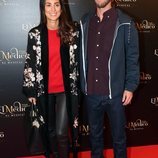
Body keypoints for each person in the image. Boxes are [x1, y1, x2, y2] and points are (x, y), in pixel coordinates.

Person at [80, 0, 139, 158]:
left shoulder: (125, 23)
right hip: (91, 92)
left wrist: (130, 87)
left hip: (115, 94)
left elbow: (132, 59)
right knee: (95, 139)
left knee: (119, 140)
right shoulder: (85, 22)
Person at [23, 0, 80, 157]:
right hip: (44, 90)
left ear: (62, 8)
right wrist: (30, 91)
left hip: (66, 90)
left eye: (56, 4)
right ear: (43, 8)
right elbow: (30, 63)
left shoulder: (72, 33)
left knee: (62, 132)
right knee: (49, 131)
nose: (53, 9)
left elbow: (79, 63)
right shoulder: (34, 34)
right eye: (48, 4)